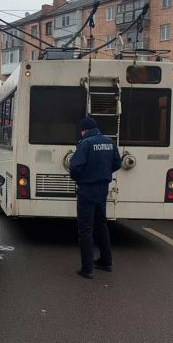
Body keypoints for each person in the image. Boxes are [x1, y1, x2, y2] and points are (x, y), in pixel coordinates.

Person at [70, 116, 122, 279]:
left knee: (85, 228)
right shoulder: (109, 142)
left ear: (84, 130)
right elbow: (117, 163)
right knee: (101, 225)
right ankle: (106, 262)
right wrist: (103, 172)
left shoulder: (85, 144)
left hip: (87, 189)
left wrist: (81, 176)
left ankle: (87, 269)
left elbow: (75, 167)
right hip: (103, 189)